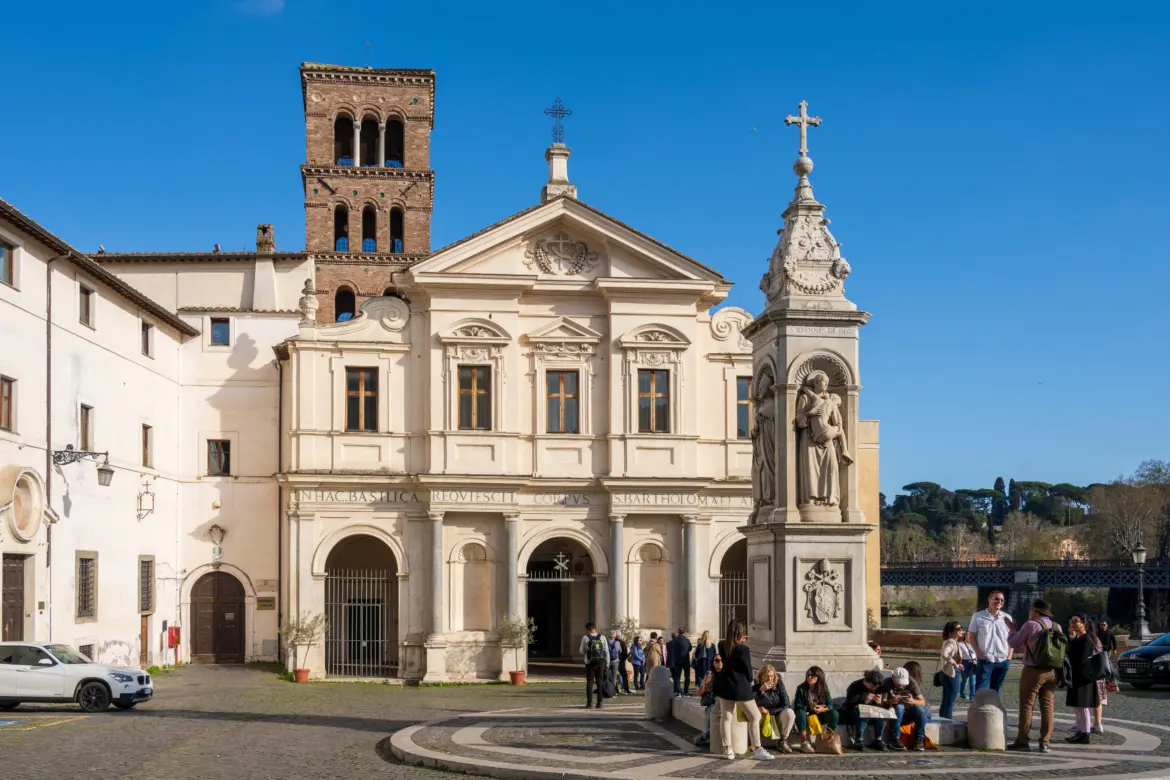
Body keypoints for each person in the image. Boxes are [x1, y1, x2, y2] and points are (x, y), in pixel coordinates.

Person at [1006, 599, 1064, 754]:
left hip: (1033, 670)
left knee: (1027, 706)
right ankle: (1045, 742)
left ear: (1034, 611)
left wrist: (1012, 629)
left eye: (1031, 610)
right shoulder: (1058, 626)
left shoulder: (1031, 625)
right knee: (1048, 707)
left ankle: (1022, 741)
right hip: (1053, 671)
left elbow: (1013, 643)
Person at [713, 619, 774, 761]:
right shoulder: (743, 649)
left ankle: (727, 749)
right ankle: (757, 748)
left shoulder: (722, 645)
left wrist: (738, 640)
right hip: (740, 687)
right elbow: (747, 669)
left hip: (725, 685)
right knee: (755, 716)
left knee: (726, 718)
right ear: (741, 633)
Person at [967, 590, 1014, 693]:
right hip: (985, 660)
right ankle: (980, 709)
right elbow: (971, 637)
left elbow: (1012, 638)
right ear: (989, 600)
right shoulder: (978, 616)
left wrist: (1009, 657)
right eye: (996, 599)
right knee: (980, 692)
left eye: (1002, 600)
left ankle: (993, 709)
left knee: (996, 692)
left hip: (1003, 660)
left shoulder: (1007, 618)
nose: (999, 601)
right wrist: (979, 654)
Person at [1064, 615, 1102, 744]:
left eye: (1075, 621)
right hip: (1076, 676)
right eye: (1071, 621)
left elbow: (1081, 658)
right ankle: (1080, 730)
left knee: (1083, 705)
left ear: (1084, 624)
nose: (1073, 624)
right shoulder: (1078, 638)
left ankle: (1085, 733)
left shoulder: (1086, 639)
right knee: (1077, 705)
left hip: (1084, 677)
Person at [879, 666, 927, 752]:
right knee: (899, 707)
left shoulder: (911, 682)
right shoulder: (887, 682)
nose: (901, 686)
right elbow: (883, 702)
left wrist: (913, 701)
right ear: (893, 678)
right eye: (899, 683)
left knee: (921, 710)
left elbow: (922, 702)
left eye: (903, 683)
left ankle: (919, 739)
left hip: (909, 711)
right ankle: (894, 739)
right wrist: (892, 701)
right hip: (895, 712)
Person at [793, 665, 838, 754]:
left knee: (834, 713)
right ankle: (804, 742)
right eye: (808, 675)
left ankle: (828, 738)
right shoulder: (801, 688)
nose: (809, 678)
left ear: (819, 678)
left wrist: (823, 708)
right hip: (807, 715)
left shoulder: (823, 689)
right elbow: (797, 705)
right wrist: (809, 708)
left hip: (820, 715)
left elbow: (830, 704)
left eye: (813, 676)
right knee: (800, 712)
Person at [753, 664, 796, 753]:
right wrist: (760, 691)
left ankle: (783, 741)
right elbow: (750, 702)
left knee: (790, 712)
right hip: (761, 716)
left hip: (776, 714)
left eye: (771, 676)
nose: (769, 679)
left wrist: (769, 711)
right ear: (761, 677)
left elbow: (786, 704)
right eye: (766, 676)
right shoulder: (755, 685)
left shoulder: (779, 684)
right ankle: (755, 743)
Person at [840, 668, 886, 751]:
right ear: (866, 681)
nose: (873, 689)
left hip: (872, 713)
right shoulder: (855, 687)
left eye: (876, 687)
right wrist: (865, 702)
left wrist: (879, 702)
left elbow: (882, 704)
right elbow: (850, 706)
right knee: (864, 712)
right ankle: (859, 740)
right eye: (872, 686)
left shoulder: (878, 687)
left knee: (882, 714)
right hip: (854, 714)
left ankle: (878, 739)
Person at [693, 654, 723, 746]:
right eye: (716, 660)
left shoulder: (726, 674)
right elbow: (705, 690)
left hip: (723, 702)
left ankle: (704, 736)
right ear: (713, 662)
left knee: (712, 712)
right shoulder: (710, 674)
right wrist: (705, 685)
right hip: (713, 701)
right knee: (710, 711)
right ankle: (707, 736)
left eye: (721, 660)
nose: (719, 663)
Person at [578, 622, 610, 709]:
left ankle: (589, 703)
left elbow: (581, 650)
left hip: (590, 663)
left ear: (588, 629)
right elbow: (606, 651)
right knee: (599, 682)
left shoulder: (585, 637)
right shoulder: (602, 637)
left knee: (590, 682)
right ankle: (599, 703)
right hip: (601, 662)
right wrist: (607, 663)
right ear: (595, 628)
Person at [938, 621, 964, 719]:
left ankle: (943, 718)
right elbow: (945, 654)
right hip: (951, 673)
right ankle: (947, 720)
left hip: (945, 672)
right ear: (952, 632)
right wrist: (954, 663)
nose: (961, 630)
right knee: (950, 699)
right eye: (958, 628)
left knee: (946, 698)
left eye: (961, 627)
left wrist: (958, 664)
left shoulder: (949, 641)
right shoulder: (951, 642)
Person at [670, 627, 693, 697]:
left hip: (678, 661)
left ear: (678, 632)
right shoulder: (687, 640)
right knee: (687, 677)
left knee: (677, 677)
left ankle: (678, 692)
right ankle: (686, 692)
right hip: (686, 661)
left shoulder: (675, 640)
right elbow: (690, 648)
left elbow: (672, 647)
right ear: (685, 632)